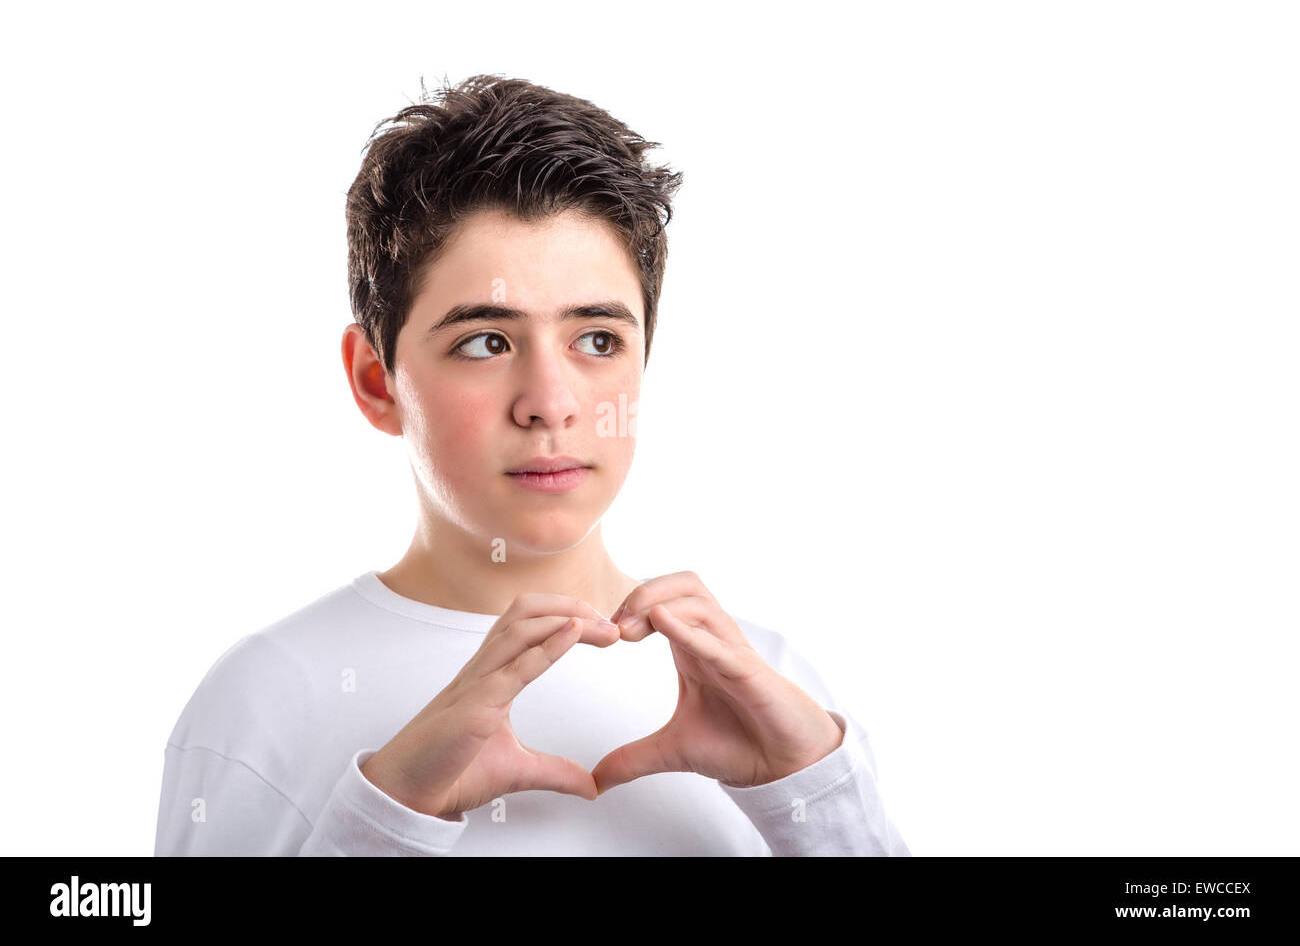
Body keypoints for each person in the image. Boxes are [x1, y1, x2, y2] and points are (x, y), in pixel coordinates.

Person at [153, 73, 910, 856]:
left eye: (596, 340)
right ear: (376, 382)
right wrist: (388, 815)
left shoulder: (770, 689)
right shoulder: (266, 699)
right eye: (486, 341)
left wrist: (820, 801)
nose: (550, 403)